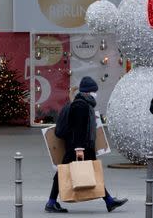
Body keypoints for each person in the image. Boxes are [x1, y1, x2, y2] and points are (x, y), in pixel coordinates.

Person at [45, 77, 127, 213]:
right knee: (63, 172)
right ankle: (51, 202)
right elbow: (78, 128)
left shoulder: (84, 104)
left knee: (90, 172)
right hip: (77, 146)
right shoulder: (80, 105)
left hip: (83, 145)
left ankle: (109, 201)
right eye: (95, 91)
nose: (96, 93)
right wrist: (79, 149)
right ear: (89, 92)